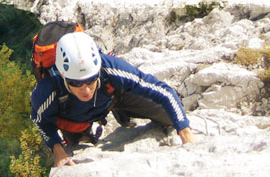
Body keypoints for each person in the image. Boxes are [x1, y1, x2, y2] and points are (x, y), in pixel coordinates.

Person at [30, 32, 196, 167]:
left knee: (169, 117)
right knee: (76, 153)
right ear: (63, 76)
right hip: (74, 117)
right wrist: (57, 150)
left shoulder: (110, 68)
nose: (86, 89)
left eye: (91, 79)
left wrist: (184, 130)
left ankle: (123, 111)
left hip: (114, 98)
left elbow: (162, 91)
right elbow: (40, 120)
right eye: (76, 83)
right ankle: (88, 131)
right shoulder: (48, 89)